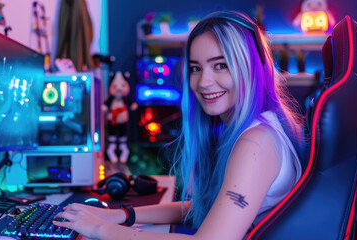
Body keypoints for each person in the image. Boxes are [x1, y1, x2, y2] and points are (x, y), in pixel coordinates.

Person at [52, 10, 305, 240]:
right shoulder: (259, 127)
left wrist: (99, 229)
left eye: (220, 65)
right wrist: (122, 216)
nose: (204, 82)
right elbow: (210, 206)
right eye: (196, 68)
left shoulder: (255, 143)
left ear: (250, 66)